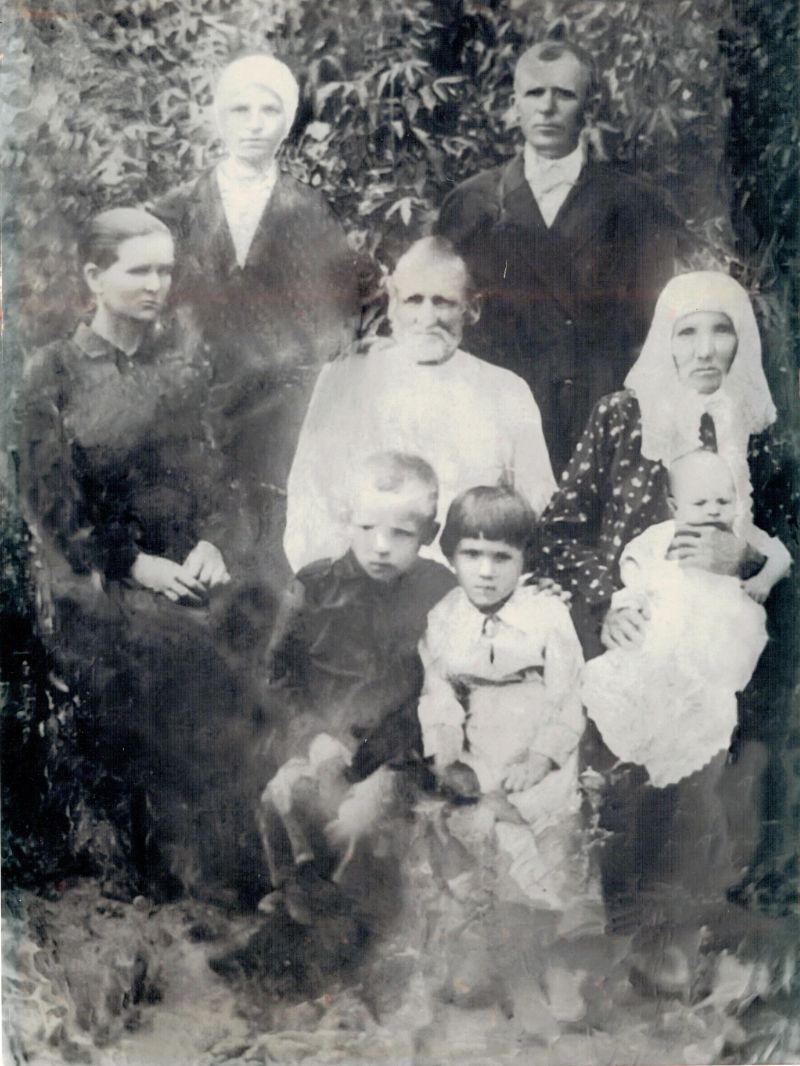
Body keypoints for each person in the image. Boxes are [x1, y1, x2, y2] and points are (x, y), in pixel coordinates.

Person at [538, 271, 796, 992]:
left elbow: (787, 543)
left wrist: (746, 560)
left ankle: (678, 935)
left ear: (743, 342)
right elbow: (559, 533)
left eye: (723, 330)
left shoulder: (763, 431)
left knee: (703, 797)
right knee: (623, 789)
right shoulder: (623, 418)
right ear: (664, 340)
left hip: (727, 649)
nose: (705, 349)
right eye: (688, 331)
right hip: (633, 642)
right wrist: (606, 606)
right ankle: (617, 937)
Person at [15, 208, 258, 902]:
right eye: (139, 270)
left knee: (261, 618)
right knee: (175, 645)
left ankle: (248, 850)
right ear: (94, 276)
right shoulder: (51, 375)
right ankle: (170, 866)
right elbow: (53, 507)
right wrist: (134, 564)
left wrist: (215, 543)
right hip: (92, 578)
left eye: (165, 271)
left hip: (179, 569)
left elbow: (215, 484)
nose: (157, 285)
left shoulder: (179, 370)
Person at [152, 53, 361, 586]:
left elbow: (332, 320)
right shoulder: (172, 211)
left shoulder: (311, 211)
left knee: (266, 562)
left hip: (278, 418)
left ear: (286, 122)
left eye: (268, 111)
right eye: (239, 110)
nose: (253, 124)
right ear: (219, 117)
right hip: (189, 409)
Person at [436, 39, 681, 473]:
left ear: (589, 105)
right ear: (515, 104)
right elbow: (443, 315)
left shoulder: (635, 204)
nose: (547, 108)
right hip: (499, 420)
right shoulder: (471, 204)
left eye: (564, 94)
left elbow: (654, 330)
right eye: (534, 93)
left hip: (599, 418)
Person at [256, 452, 456, 923]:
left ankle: (345, 914)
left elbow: (443, 681)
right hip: (324, 742)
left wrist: (385, 752)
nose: (381, 547)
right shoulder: (313, 585)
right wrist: (313, 737)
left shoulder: (441, 590)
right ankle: (296, 887)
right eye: (367, 528)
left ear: (429, 533)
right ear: (346, 518)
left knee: (357, 822)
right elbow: (278, 673)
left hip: (397, 753)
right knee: (280, 796)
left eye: (401, 533)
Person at [283, 236, 556, 572]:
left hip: (469, 586)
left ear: (472, 308)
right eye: (414, 300)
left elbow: (535, 514)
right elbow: (309, 507)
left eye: (443, 302)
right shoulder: (345, 379)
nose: (427, 318)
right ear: (392, 303)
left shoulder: (508, 391)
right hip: (360, 584)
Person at [417, 486, 588, 918]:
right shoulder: (443, 618)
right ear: (451, 555)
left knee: (551, 847)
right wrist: (446, 754)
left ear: (524, 559)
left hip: (541, 747)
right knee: (476, 833)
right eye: (472, 554)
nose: (486, 571)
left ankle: (560, 920)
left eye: (502, 557)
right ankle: (495, 919)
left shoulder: (547, 613)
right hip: (481, 748)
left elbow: (569, 696)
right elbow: (439, 697)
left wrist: (540, 757)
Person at [582, 449, 789, 790]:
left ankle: (673, 779)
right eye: (700, 503)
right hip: (671, 634)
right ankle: (631, 770)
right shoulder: (661, 538)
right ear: (674, 507)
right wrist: (630, 604)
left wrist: (762, 579)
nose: (713, 510)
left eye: (723, 501)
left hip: (723, 637)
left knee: (707, 712)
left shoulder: (742, 534)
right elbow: (635, 575)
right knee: (647, 696)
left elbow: (781, 556)